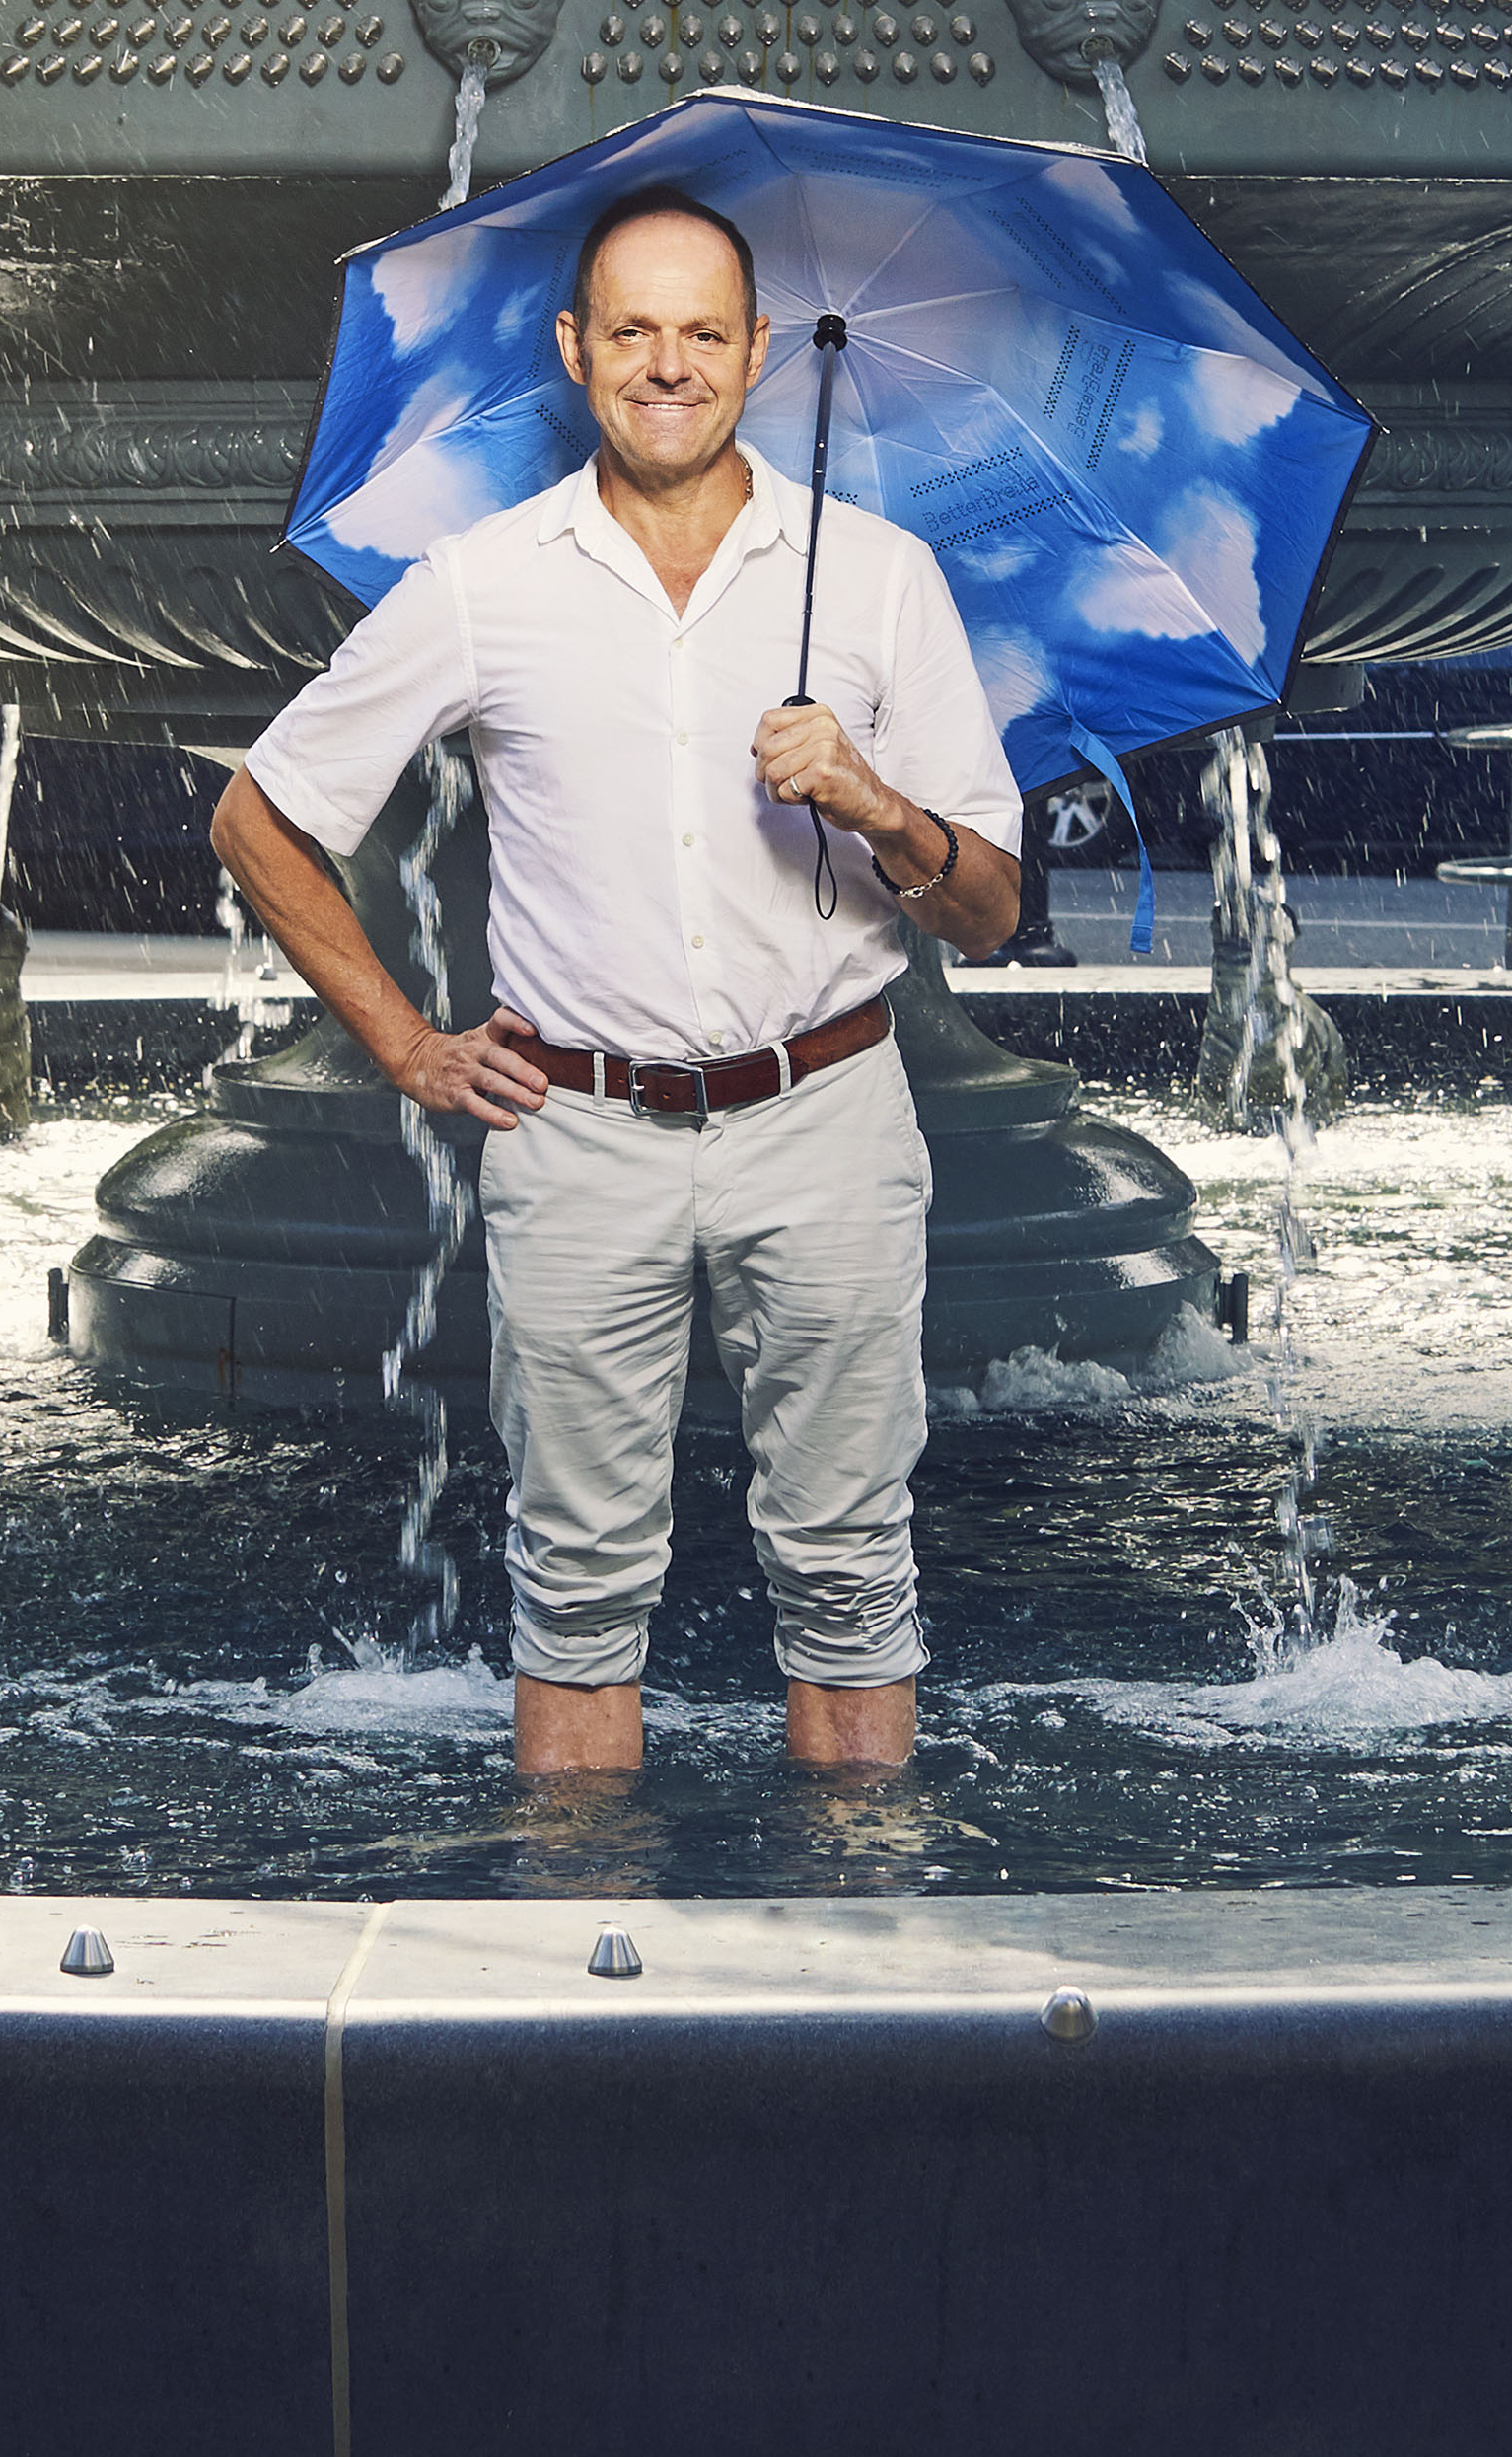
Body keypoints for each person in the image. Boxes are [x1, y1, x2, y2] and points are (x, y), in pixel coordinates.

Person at [212, 191, 1024, 1775]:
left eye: (703, 333)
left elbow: (988, 912)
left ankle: (855, 1965)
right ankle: (576, 1969)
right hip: (580, 1140)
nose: (669, 366)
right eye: (633, 331)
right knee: (574, 1594)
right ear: (577, 351)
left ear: (759, 353)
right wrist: (405, 1043)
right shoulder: (483, 581)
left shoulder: (875, 579)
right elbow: (260, 815)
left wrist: (876, 805)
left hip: (829, 1119)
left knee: (856, 1576)